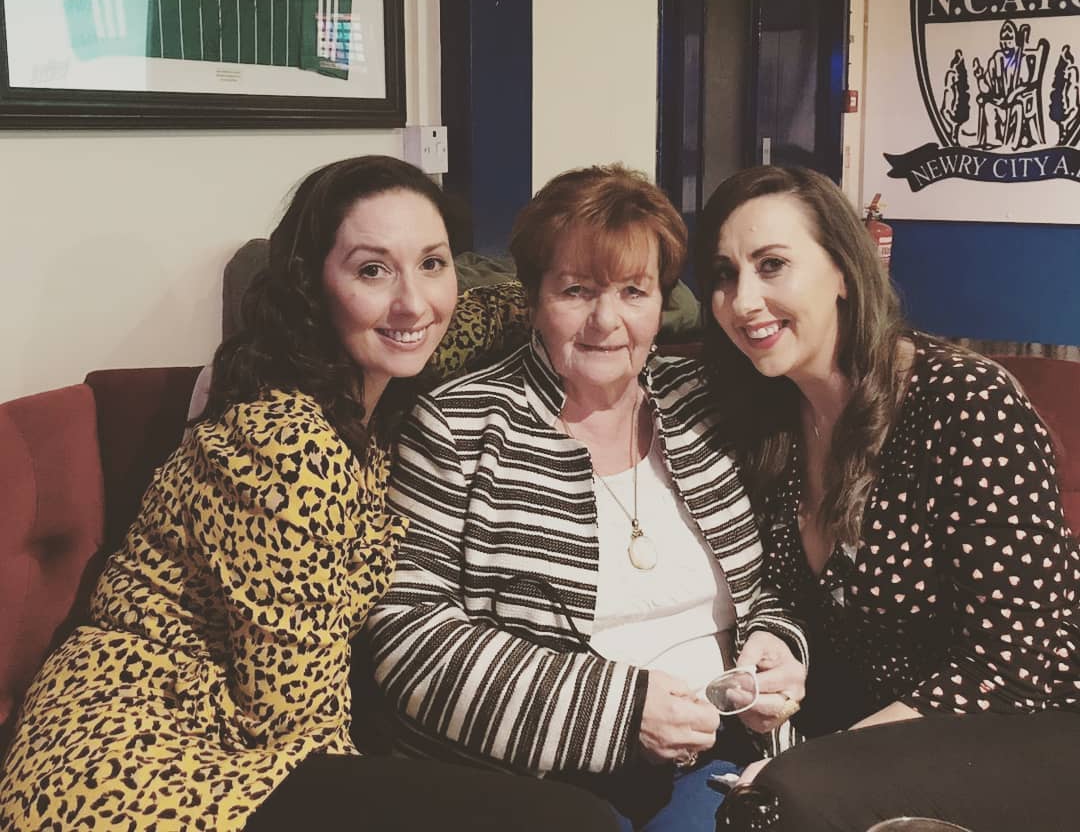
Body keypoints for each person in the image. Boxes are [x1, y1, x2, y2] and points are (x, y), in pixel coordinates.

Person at [0, 156, 621, 832]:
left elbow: (501, 309)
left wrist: (591, 294)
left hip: (227, 739)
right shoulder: (285, 446)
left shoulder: (382, 376)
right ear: (312, 284)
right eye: (372, 270)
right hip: (137, 762)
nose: (414, 302)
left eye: (433, 263)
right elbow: (292, 717)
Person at [368, 165, 808, 832]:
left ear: (664, 302)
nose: (607, 321)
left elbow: (771, 581)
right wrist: (621, 712)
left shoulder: (707, 404)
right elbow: (409, 634)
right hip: (537, 782)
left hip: (724, 756)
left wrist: (775, 646)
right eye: (577, 290)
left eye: (635, 291)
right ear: (534, 298)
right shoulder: (459, 425)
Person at [693, 164, 1080, 832]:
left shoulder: (966, 403)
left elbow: (1007, 669)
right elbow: (788, 596)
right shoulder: (771, 416)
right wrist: (771, 648)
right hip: (872, 729)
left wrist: (831, 759)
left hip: (1032, 726)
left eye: (772, 265)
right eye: (725, 275)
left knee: (788, 799)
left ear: (844, 270)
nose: (743, 299)